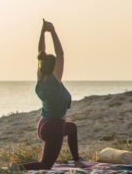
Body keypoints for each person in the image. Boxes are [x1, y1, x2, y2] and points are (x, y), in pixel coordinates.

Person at [13, 19, 88, 170]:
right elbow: (60, 54)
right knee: (45, 165)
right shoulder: (54, 81)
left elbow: (41, 52)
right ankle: (15, 169)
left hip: (44, 124)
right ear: (54, 67)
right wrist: (52, 31)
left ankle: (77, 161)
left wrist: (43, 31)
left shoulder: (40, 79)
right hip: (54, 126)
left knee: (72, 128)